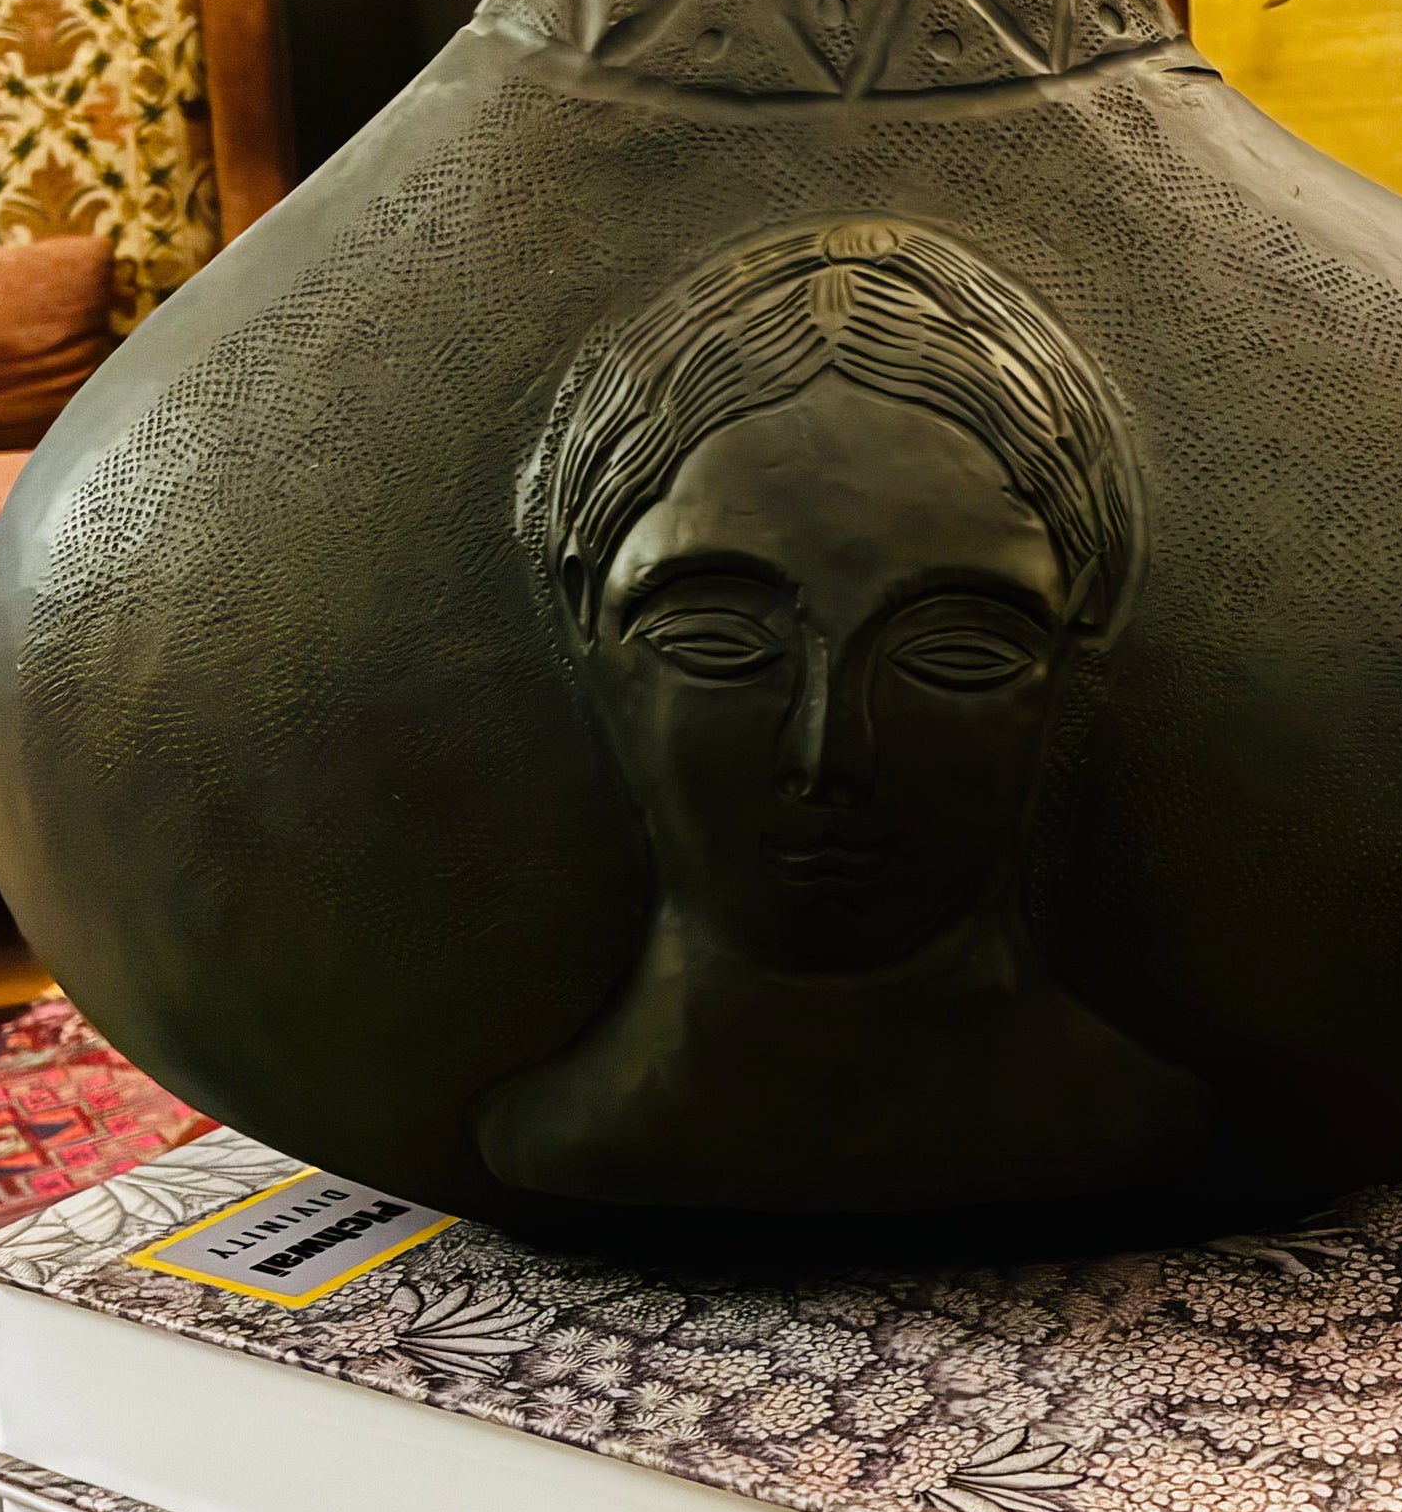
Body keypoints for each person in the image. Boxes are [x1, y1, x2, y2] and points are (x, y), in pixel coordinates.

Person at [474, 217, 1212, 1213]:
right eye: (721, 642)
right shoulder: (549, 1128)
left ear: (1080, 628)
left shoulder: (1138, 1114)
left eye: (953, 652)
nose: (830, 755)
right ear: (580, 610)